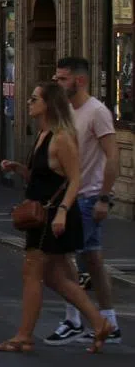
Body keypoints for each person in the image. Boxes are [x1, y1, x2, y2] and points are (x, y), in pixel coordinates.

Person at [0, 82, 112, 353]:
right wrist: (20, 169)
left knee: (31, 271)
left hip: (53, 217)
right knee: (56, 278)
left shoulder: (60, 137)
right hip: (44, 214)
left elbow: (75, 179)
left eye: (34, 99)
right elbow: (45, 178)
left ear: (48, 104)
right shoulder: (44, 134)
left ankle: (23, 336)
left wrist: (62, 212)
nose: (28, 102)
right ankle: (99, 322)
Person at [46, 57, 121, 346]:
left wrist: (104, 197)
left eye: (62, 79)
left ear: (79, 81)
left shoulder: (97, 111)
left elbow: (112, 155)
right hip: (71, 195)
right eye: (56, 78)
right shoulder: (65, 111)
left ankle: (74, 320)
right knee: (92, 259)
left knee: (66, 259)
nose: (58, 83)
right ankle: (110, 321)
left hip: (88, 197)